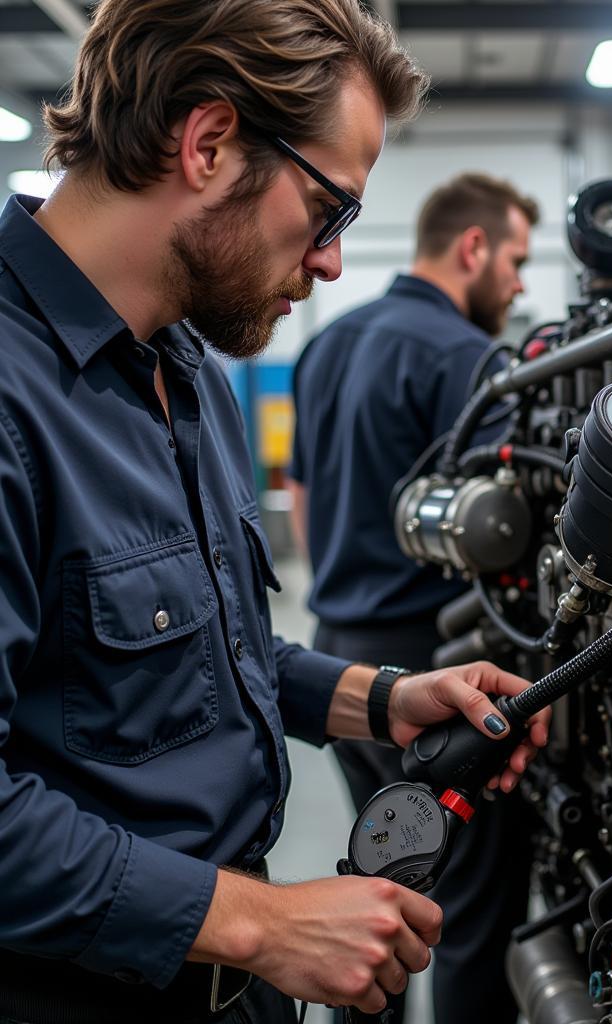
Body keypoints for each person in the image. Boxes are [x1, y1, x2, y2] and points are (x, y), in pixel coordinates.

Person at [0, 3, 550, 1024]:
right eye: (329, 207)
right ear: (208, 144)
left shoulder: (187, 367)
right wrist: (266, 924)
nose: (335, 260)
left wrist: (384, 697)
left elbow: (218, 649)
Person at [287, 175, 539, 1024]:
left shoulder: (329, 340)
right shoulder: (468, 359)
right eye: (514, 260)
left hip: (337, 651)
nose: (518, 285)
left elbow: (302, 490)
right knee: (465, 905)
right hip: (431, 667)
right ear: (473, 248)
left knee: (382, 883)